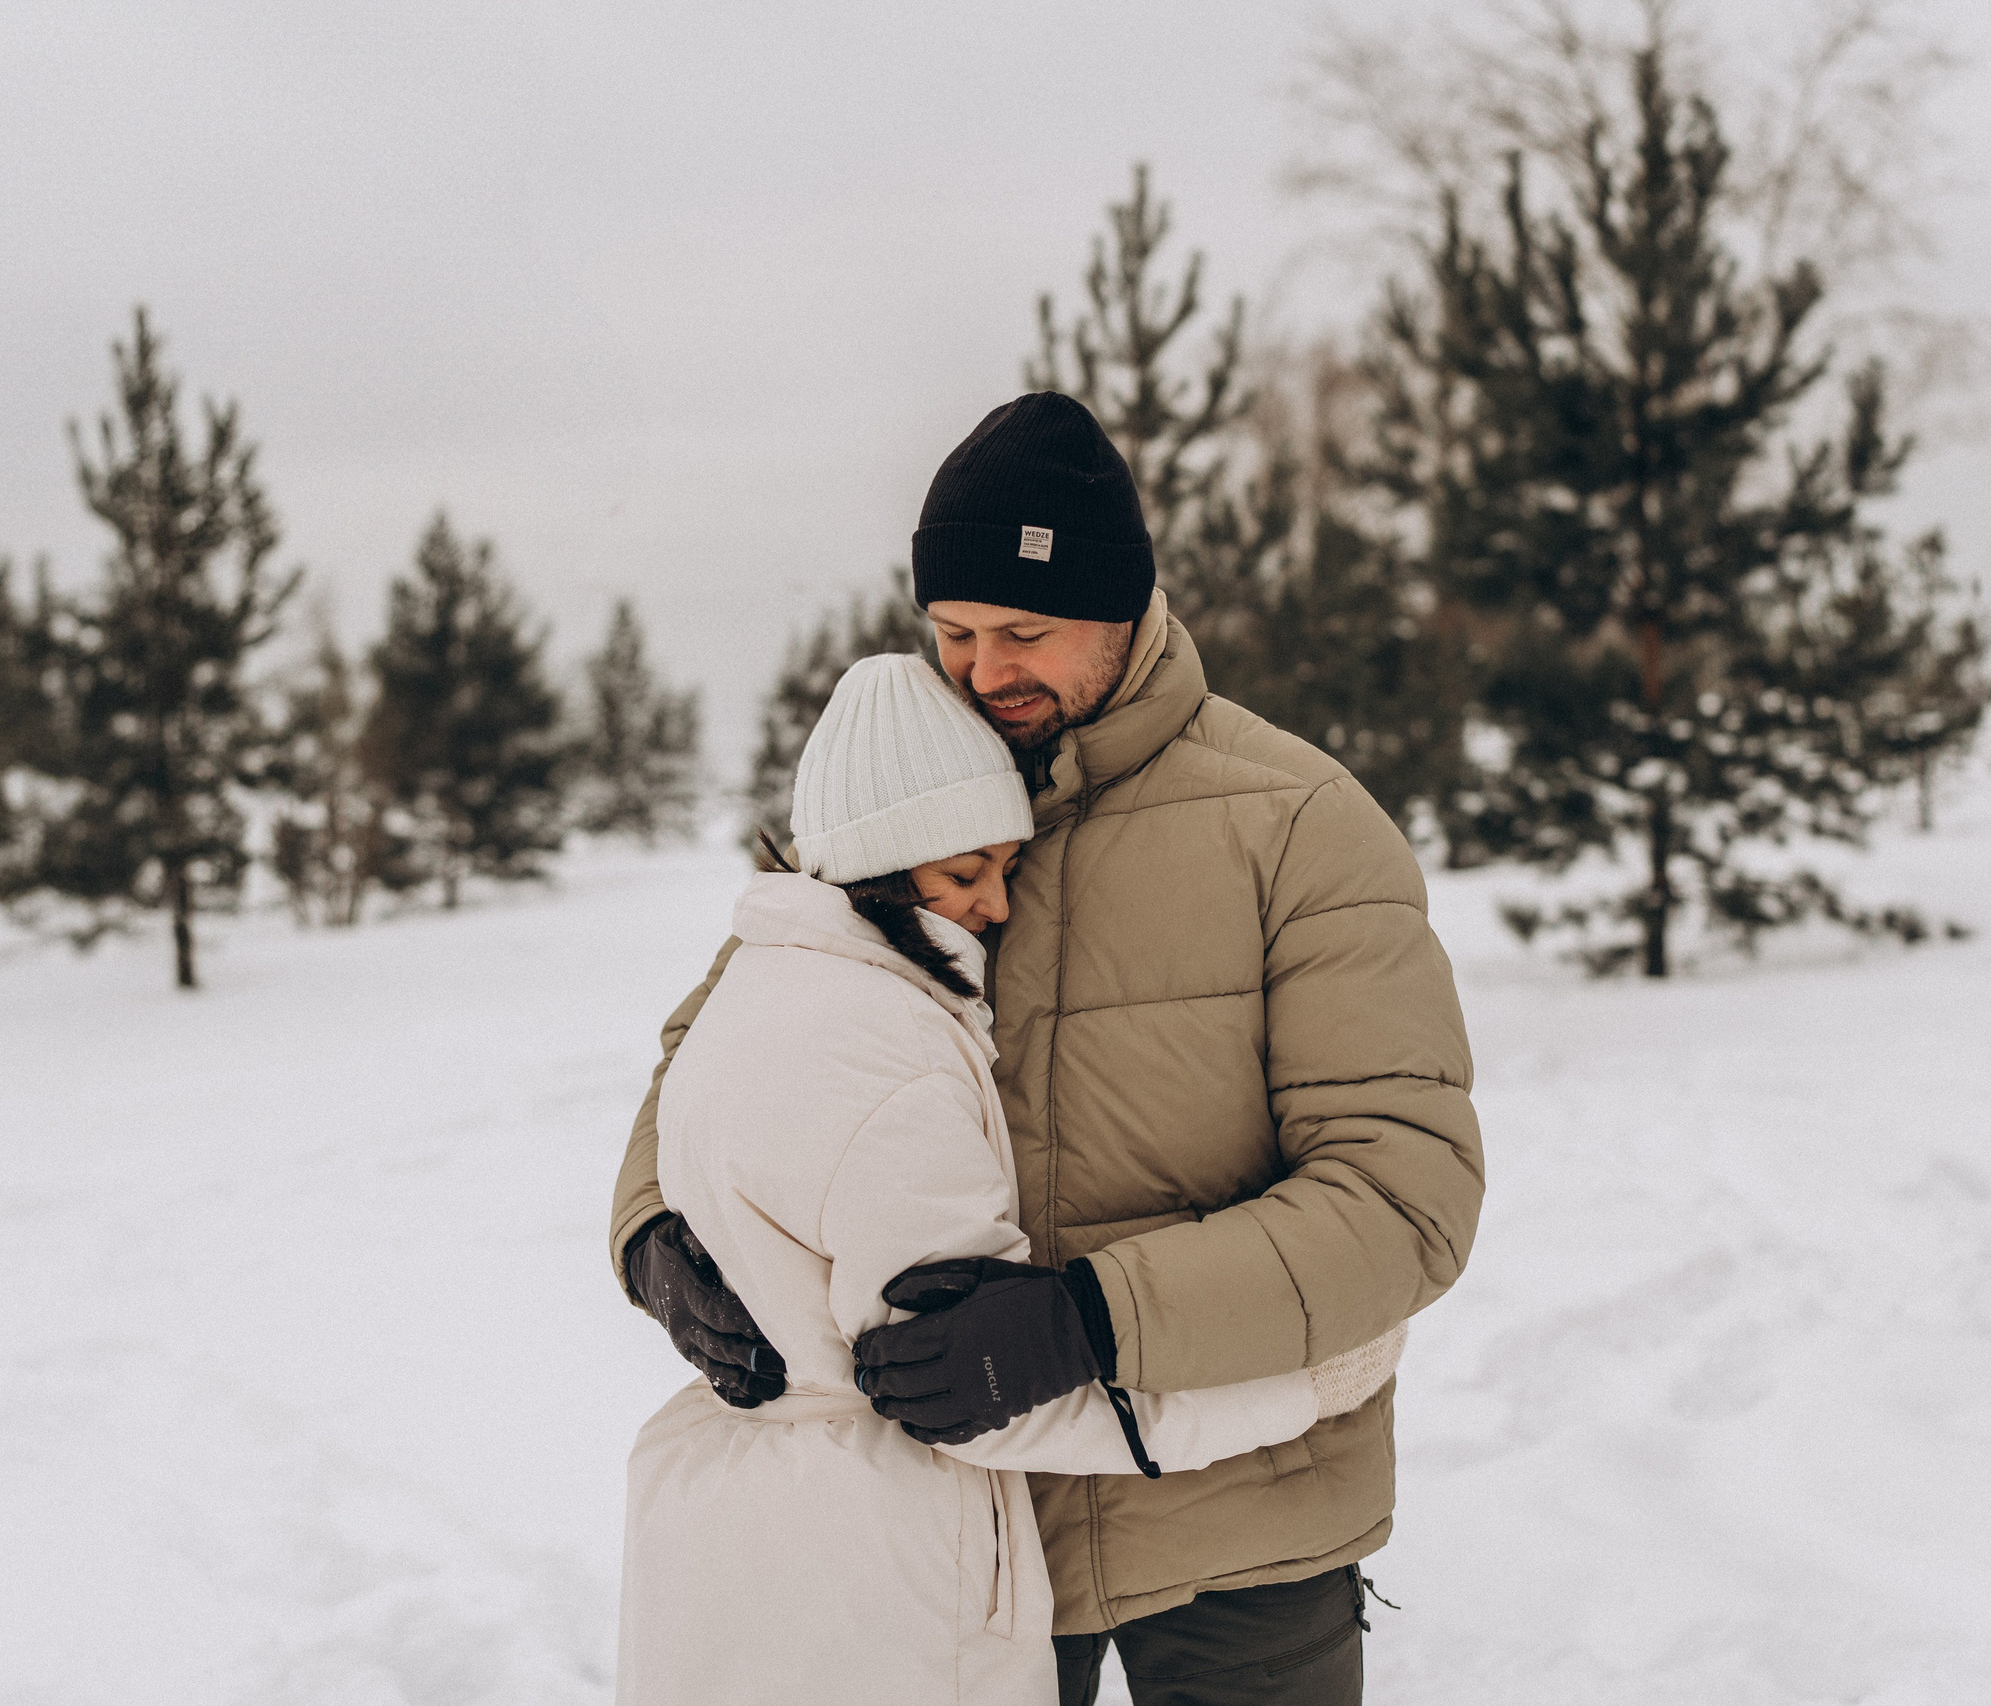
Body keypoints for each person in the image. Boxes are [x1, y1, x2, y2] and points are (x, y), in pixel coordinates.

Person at [614, 393, 1484, 1705]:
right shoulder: (914, 808)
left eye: (1026, 630)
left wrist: (1092, 1320)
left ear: (1128, 606)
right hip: (976, 1545)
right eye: (953, 632)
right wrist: (650, 1231)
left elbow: (1403, 1201)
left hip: (1243, 1533)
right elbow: (737, 1026)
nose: (981, 669)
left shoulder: (1300, 825)